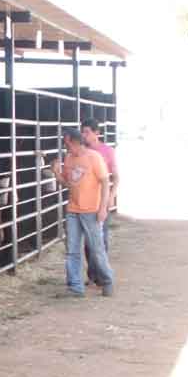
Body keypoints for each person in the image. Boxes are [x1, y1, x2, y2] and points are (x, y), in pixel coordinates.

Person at [51, 128, 114, 297]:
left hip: (91, 210)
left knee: (96, 248)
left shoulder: (94, 157)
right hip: (73, 209)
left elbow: (105, 182)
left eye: (67, 143)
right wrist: (57, 173)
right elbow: (68, 183)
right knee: (72, 249)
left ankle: (107, 280)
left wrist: (102, 208)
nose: (65, 147)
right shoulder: (69, 158)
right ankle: (75, 287)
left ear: (73, 141)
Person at [80, 117, 119, 283]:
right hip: (87, 201)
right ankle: (93, 274)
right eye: (82, 132)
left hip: (101, 200)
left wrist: (111, 196)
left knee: (101, 239)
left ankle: (101, 275)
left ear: (97, 133)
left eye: (87, 132)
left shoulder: (107, 151)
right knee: (89, 241)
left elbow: (116, 177)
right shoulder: (81, 152)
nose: (84, 135)